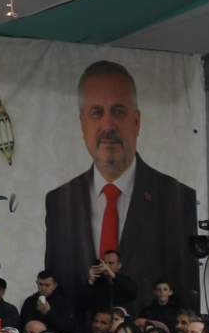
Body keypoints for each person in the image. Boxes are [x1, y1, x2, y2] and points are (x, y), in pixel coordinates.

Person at [43, 61, 196, 305]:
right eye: (97, 113)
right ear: (83, 124)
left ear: (136, 121)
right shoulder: (59, 201)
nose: (108, 126)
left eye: (118, 112)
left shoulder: (177, 197)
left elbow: (185, 285)